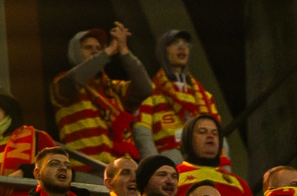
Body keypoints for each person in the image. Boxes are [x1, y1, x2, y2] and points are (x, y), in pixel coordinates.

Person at [48, 25, 151, 167]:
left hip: (118, 168)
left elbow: (145, 88)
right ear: (75, 52)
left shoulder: (113, 87)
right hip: (85, 166)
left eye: (99, 48)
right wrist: (107, 52)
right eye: (88, 47)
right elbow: (76, 79)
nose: (95, 52)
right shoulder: (62, 81)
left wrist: (124, 52)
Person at [136, 29, 222, 159]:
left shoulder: (206, 97)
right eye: (175, 43)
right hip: (169, 161)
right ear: (163, 51)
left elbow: (219, 137)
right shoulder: (150, 91)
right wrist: (155, 165)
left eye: (186, 44)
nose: (182, 47)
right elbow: (143, 133)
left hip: (202, 162)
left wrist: (224, 168)